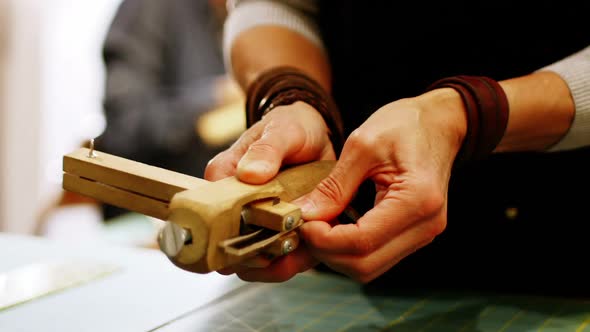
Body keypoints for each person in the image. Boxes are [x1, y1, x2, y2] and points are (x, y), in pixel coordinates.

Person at [205, 0, 590, 295]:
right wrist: (291, 96)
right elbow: (272, 4)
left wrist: (470, 116)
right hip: (343, 269)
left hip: (560, 252)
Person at [37, 0, 244, 233]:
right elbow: (125, 124)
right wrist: (214, 97)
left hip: (213, 214)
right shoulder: (150, 8)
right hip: (150, 216)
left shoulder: (235, 15)